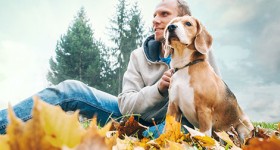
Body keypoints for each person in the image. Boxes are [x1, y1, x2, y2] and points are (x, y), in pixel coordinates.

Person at [0, 0, 220, 135]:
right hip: (131, 117)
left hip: (174, 125)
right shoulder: (138, 56)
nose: (155, 20)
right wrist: (159, 90)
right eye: (154, 14)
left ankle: (138, 137)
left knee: (179, 131)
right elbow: (125, 104)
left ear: (183, 21)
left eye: (164, 14)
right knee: (72, 88)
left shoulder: (201, 53)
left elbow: (214, 103)